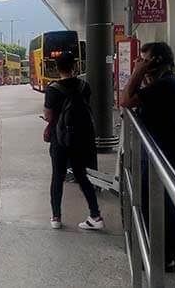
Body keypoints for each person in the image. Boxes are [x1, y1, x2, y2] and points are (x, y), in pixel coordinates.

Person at [120, 42, 175, 272]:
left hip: (165, 151)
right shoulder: (165, 82)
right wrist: (144, 73)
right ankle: (166, 250)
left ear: (157, 60)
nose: (139, 63)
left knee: (160, 204)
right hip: (163, 149)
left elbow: (126, 100)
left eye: (144, 59)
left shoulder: (167, 84)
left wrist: (138, 72)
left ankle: (167, 254)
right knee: (160, 202)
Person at [43, 51, 103, 230]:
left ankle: (56, 217)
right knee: (82, 176)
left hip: (60, 139)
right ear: (75, 66)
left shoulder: (52, 89)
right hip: (81, 139)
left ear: (56, 68)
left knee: (57, 177)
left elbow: (48, 115)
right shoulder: (85, 86)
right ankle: (95, 215)